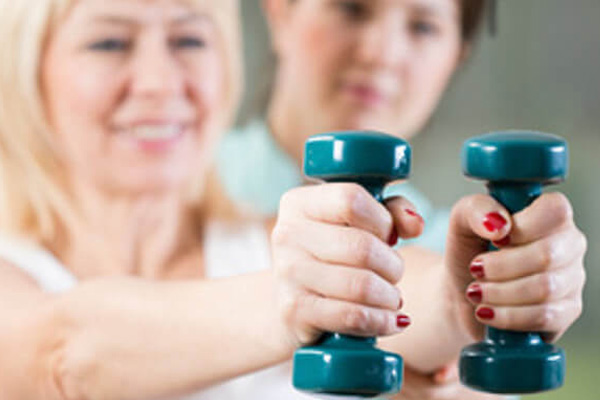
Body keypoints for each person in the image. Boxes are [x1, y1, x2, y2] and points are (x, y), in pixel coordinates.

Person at [0, 1, 587, 400]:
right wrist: (305, 301)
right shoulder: (14, 275)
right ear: (26, 72)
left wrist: (469, 296)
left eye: (188, 39)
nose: (158, 81)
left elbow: (419, 293)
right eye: (107, 43)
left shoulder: (272, 242)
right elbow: (64, 351)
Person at [215, 0, 588, 398]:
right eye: (352, 9)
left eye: (424, 27)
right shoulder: (174, 192)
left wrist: (458, 308)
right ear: (279, 12)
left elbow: (435, 304)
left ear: (456, 56)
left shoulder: (472, 248)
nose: (382, 54)